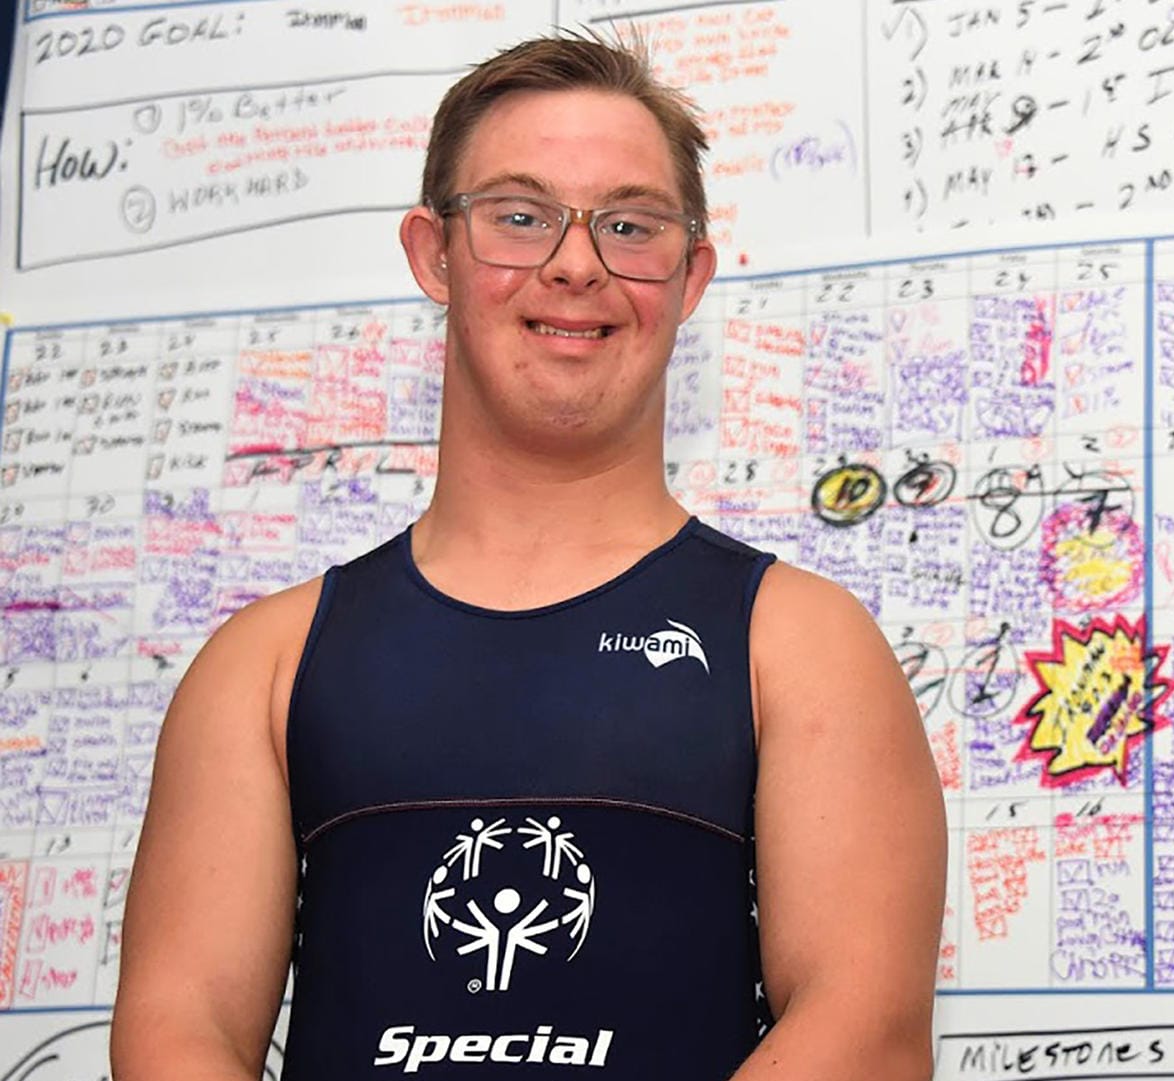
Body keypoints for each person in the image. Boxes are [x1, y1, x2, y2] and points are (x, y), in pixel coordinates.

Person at [110, 35, 946, 1080]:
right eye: (519, 215)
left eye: (630, 226)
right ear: (433, 252)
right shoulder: (264, 664)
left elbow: (864, 1033)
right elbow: (174, 1035)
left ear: (688, 277)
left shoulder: (803, 645)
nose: (575, 263)